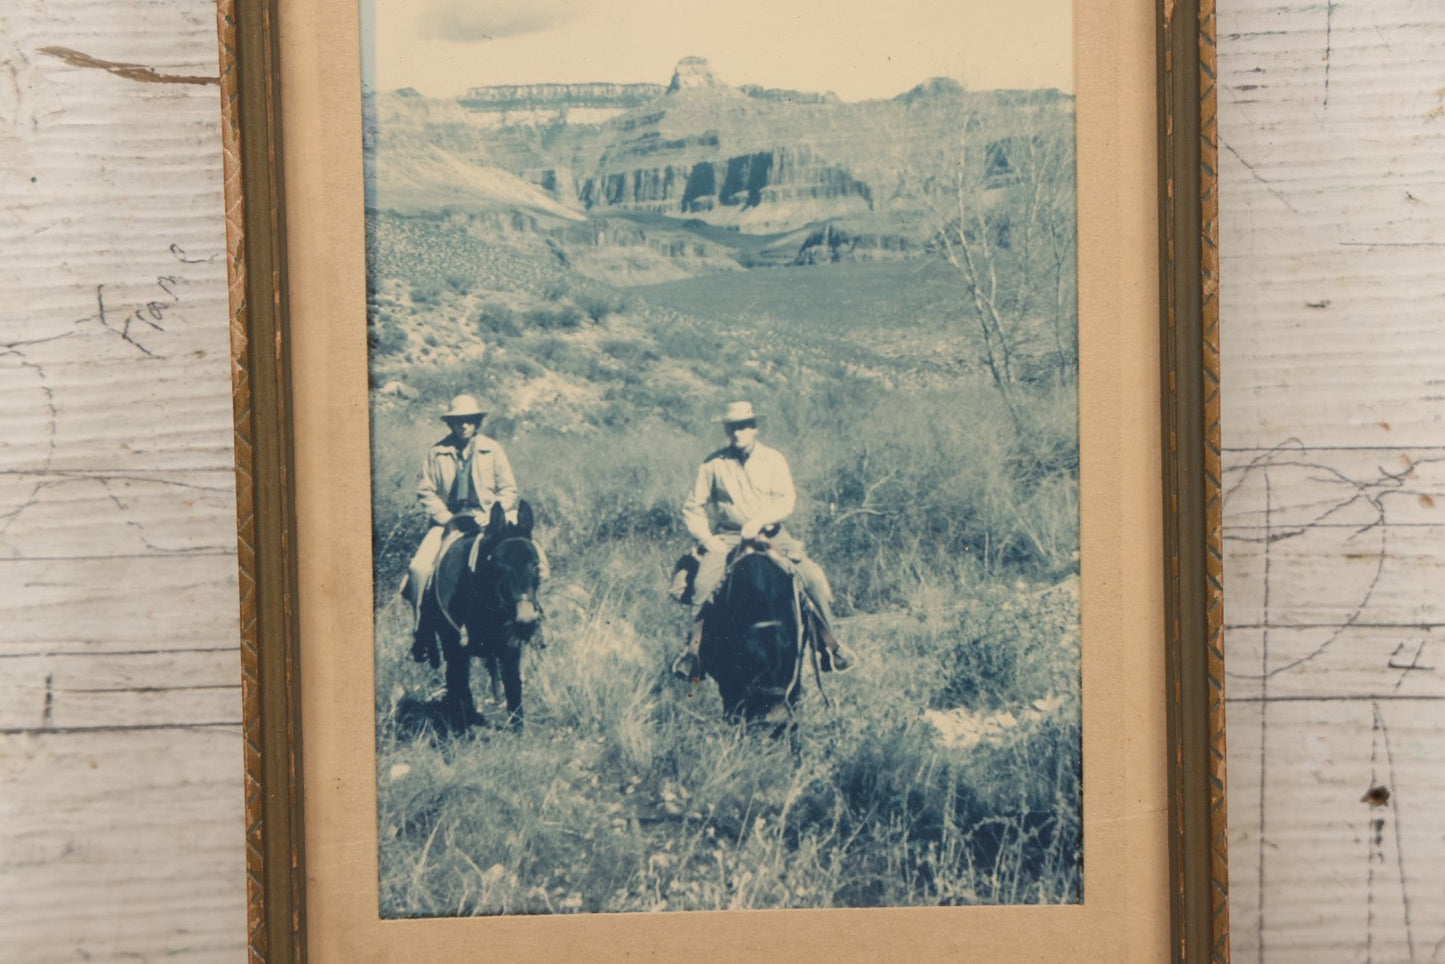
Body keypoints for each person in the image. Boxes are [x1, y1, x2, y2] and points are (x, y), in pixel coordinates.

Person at [670, 400, 853, 680]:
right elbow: (692, 507)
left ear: (754, 427)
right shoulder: (712, 464)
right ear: (726, 429)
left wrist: (762, 520)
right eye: (732, 427)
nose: (737, 432)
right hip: (729, 537)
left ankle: (831, 647)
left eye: (743, 426)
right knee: (702, 585)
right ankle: (693, 654)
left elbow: (786, 499)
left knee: (813, 578)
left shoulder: (774, 459)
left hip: (771, 534)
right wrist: (706, 538)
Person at [402, 394, 546, 653]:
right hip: (449, 522)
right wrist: (445, 517)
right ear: (451, 423)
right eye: (458, 421)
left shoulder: (492, 449)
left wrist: (492, 513)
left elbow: (508, 489)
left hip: (489, 519)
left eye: (469, 420)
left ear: (477, 422)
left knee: (532, 557)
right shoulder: (436, 452)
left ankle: (534, 617)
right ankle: (422, 631)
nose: (464, 425)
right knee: (419, 569)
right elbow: (425, 491)